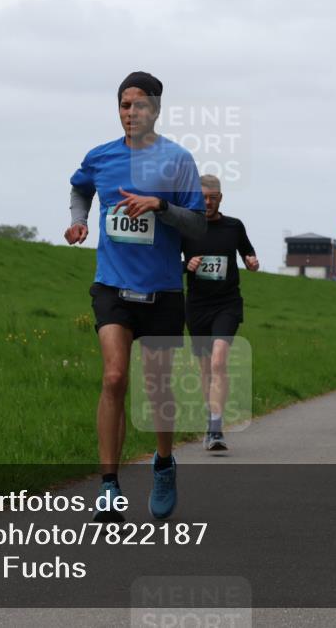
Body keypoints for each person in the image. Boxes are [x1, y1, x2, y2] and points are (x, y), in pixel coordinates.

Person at [65, 71, 206, 521]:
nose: (131, 113)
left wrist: (160, 207)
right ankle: (108, 486)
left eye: (140, 105)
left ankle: (163, 463)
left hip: (162, 289)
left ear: (156, 110)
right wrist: (79, 219)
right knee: (113, 378)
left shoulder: (178, 161)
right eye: (125, 105)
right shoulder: (100, 157)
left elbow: (199, 225)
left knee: (158, 387)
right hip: (112, 285)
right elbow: (79, 186)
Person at [181, 174, 259, 451]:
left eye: (213, 197)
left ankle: (216, 429)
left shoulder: (233, 226)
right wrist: (186, 265)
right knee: (205, 368)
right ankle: (211, 416)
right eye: (203, 197)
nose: (208, 202)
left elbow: (248, 253)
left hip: (227, 303)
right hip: (198, 305)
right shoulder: (188, 227)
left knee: (218, 362)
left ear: (221, 198)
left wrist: (251, 260)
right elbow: (172, 263)